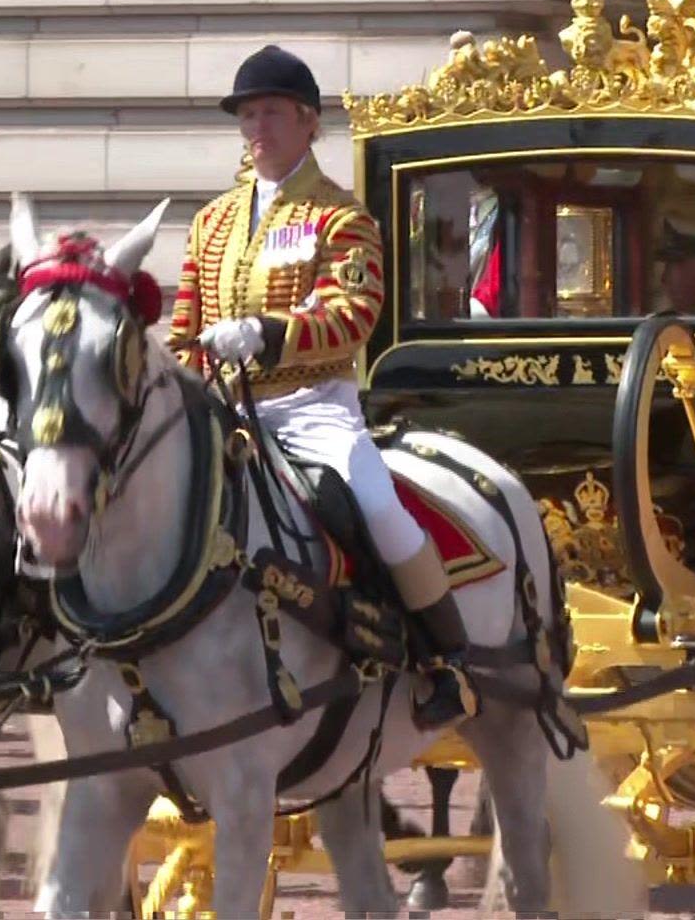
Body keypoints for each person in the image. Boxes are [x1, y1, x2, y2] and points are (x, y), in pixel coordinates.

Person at [168, 44, 475, 729]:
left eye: (271, 112)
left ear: (309, 122)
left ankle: (442, 659)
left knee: (380, 507)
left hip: (312, 409)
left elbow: (353, 314)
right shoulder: (211, 221)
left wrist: (267, 333)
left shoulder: (340, 217)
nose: (257, 127)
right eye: (247, 115)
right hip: (225, 409)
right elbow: (184, 321)